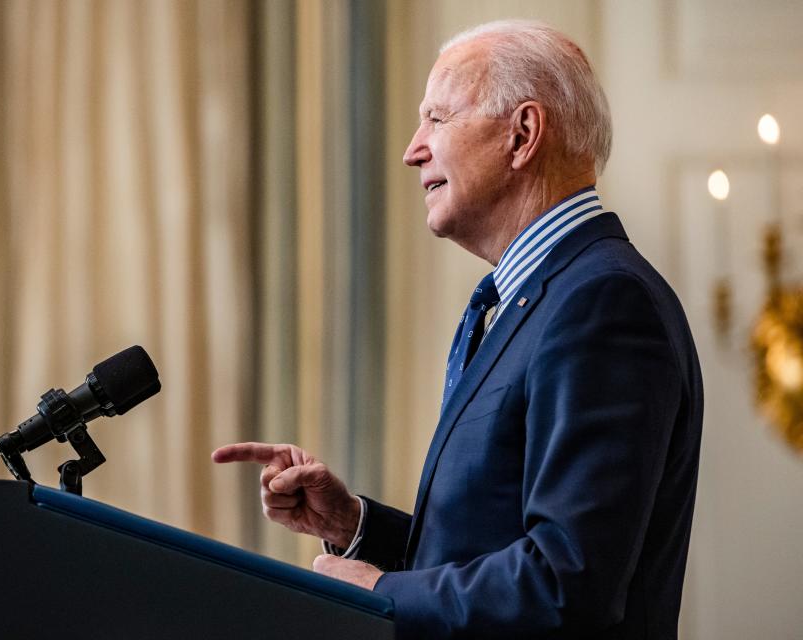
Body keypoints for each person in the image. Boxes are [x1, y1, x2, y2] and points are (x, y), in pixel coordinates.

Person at [213, 19, 702, 639]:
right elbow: (492, 543)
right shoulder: (540, 296)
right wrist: (356, 525)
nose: (412, 148)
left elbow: (567, 583)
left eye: (437, 119)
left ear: (522, 134)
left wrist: (382, 592)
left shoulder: (604, 301)